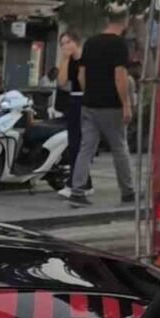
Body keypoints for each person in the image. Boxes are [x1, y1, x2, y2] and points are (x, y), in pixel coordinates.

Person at [69, 7, 136, 207]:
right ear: (125, 21)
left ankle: (77, 191)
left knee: (86, 148)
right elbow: (120, 76)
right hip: (111, 106)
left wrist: (89, 92)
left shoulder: (90, 42)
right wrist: (126, 105)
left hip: (89, 104)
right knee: (119, 147)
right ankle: (127, 192)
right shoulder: (119, 45)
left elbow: (81, 74)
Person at [56, 30, 92, 198]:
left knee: (82, 144)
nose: (65, 46)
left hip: (86, 101)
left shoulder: (86, 59)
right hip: (73, 100)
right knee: (74, 144)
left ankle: (75, 182)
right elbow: (62, 82)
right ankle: (84, 182)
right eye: (62, 44)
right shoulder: (68, 61)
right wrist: (64, 59)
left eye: (68, 42)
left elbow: (85, 83)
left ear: (76, 42)